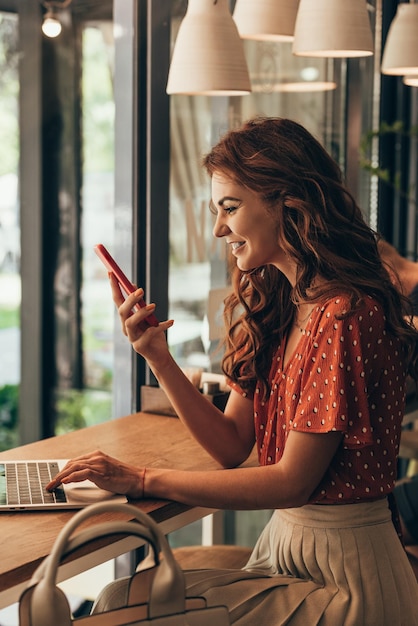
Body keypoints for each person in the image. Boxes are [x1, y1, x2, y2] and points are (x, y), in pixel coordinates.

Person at [47, 117, 418, 625]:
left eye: (230, 207)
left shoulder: (344, 314)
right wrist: (157, 354)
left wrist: (142, 478)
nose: (220, 228)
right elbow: (231, 444)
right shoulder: (285, 305)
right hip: (290, 551)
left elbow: (291, 482)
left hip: (348, 578)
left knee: (125, 613)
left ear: (288, 202)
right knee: (118, 600)